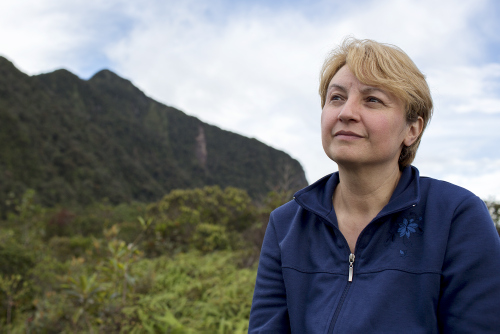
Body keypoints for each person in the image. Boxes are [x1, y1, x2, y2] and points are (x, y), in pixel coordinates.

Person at [248, 38, 500, 333]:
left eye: (372, 100)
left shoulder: (455, 216)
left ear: (412, 129)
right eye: (336, 98)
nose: (346, 112)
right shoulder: (287, 223)